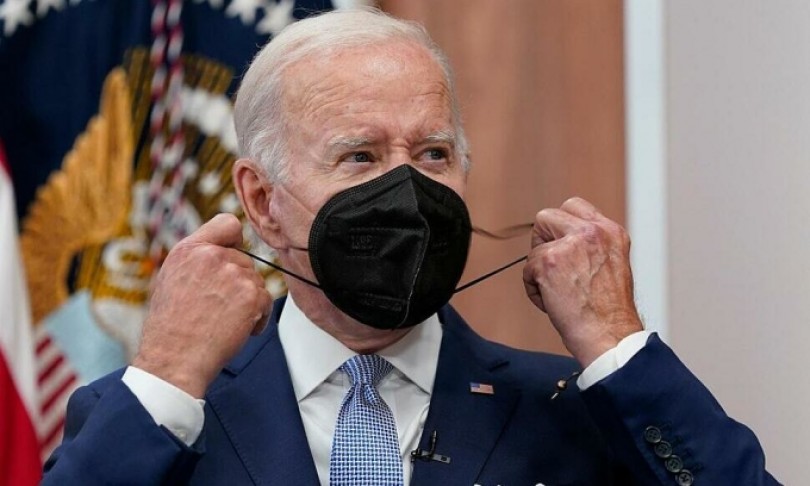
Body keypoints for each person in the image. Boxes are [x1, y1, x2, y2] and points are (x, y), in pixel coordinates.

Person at [42, 9, 779, 485]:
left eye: (432, 154)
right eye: (359, 157)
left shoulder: (580, 410)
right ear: (262, 201)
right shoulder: (158, 413)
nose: (407, 193)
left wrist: (617, 344)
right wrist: (168, 377)